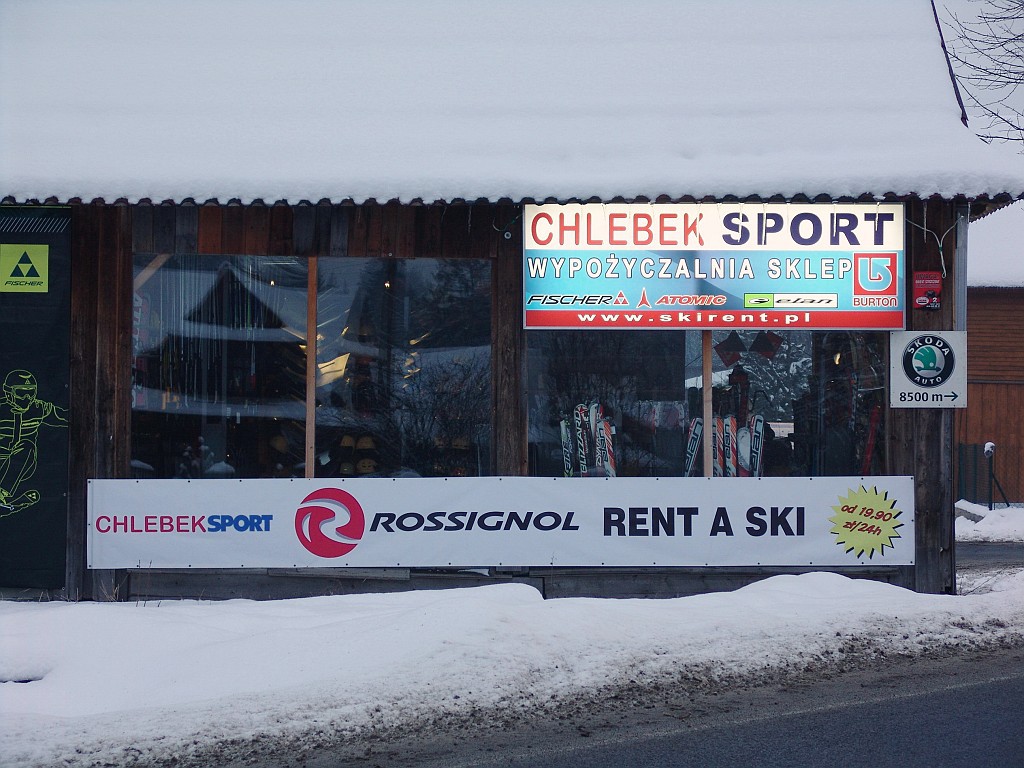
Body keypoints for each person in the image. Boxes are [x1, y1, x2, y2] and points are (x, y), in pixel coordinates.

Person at [0, 369, 68, 516]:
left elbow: (63, 416)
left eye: (31, 393)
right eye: (21, 392)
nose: (27, 398)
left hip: (23, 462)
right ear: (8, 392)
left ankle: (2, 493)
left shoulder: (38, 408)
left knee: (27, 446)